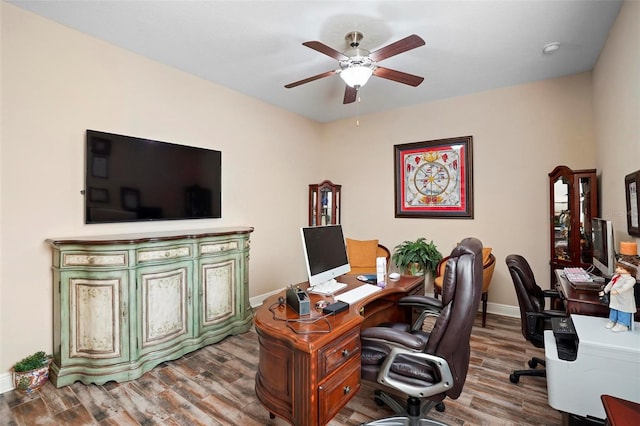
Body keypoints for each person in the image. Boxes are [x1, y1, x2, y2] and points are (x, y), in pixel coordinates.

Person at [600, 260, 637, 332]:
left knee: (623, 311)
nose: (617, 269)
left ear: (630, 270)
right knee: (614, 309)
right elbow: (610, 284)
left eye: (621, 268)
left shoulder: (631, 279)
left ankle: (622, 324)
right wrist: (605, 291)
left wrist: (618, 291)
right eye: (617, 267)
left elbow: (626, 287)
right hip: (615, 298)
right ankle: (612, 321)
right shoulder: (616, 276)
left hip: (624, 299)